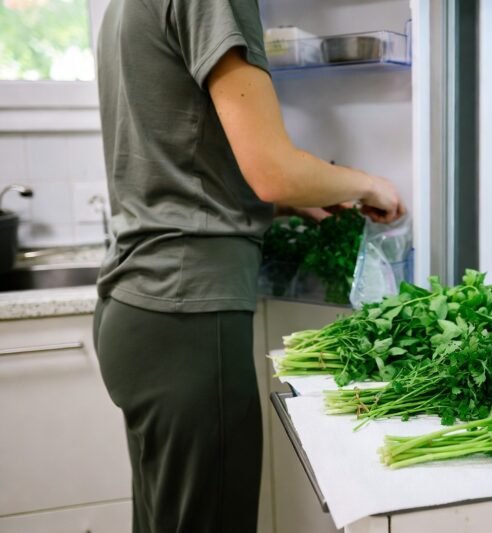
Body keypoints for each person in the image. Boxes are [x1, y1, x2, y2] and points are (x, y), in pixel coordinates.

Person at [92, 1, 405, 532]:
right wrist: (366, 183)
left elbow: (178, 158)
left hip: (140, 306)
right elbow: (273, 172)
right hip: (189, 315)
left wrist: (281, 202)